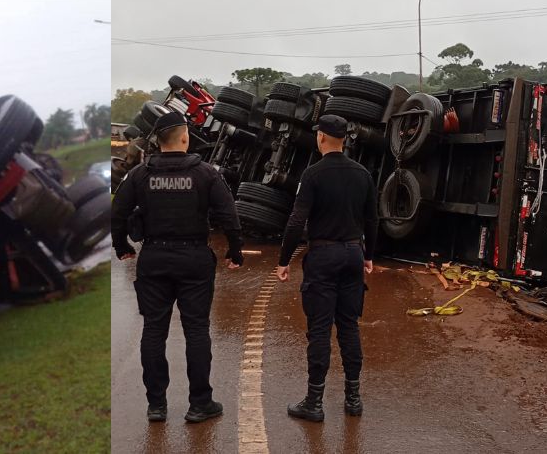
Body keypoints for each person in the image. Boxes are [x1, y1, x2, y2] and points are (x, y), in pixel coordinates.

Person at [112, 111, 244, 424]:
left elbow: (118, 213)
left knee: (154, 331)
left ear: (158, 140)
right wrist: (235, 251)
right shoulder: (205, 173)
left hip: (154, 258)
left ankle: (156, 405)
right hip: (194, 259)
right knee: (196, 330)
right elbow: (229, 216)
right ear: (184, 137)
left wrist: (122, 247)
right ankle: (200, 404)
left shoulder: (140, 174)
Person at [275, 114, 378, 422]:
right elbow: (372, 220)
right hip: (352, 254)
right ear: (344, 138)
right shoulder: (363, 174)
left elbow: (296, 221)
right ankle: (353, 399)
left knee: (319, 329)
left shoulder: (313, 174)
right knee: (349, 326)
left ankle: (314, 402)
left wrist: (284, 260)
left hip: (323, 256)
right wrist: (368, 255)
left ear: (320, 137)